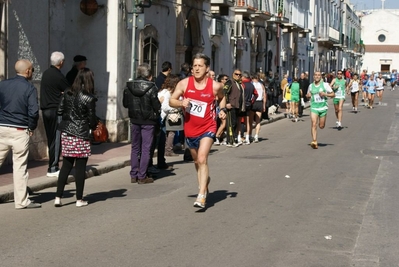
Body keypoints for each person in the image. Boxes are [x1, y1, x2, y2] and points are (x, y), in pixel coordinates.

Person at [169, 53, 226, 208]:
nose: (197, 68)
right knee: (196, 161)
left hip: (208, 126)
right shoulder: (184, 84)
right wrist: (181, 103)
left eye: (200, 66)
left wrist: (222, 111)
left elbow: (221, 98)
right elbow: (171, 100)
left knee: (202, 158)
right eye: (194, 66)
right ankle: (204, 180)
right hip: (190, 128)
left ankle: (201, 195)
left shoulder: (215, 86)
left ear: (207, 68)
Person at [0, 59, 41, 209]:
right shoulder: (29, 88)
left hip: (2, 128)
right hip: (19, 130)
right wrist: (31, 127)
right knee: (20, 168)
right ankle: (21, 201)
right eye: (32, 69)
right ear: (28, 71)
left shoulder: (3, 85)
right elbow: (34, 111)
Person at [55, 68, 98, 207]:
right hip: (81, 133)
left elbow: (59, 110)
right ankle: (79, 199)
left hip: (67, 132)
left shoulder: (67, 92)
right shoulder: (89, 97)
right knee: (80, 168)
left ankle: (58, 197)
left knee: (66, 166)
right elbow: (92, 120)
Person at [123, 63, 161, 184]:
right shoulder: (152, 87)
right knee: (146, 148)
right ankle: (142, 176)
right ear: (149, 75)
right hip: (148, 120)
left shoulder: (128, 86)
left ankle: (133, 174)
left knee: (135, 148)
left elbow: (125, 103)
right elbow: (157, 106)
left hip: (134, 119)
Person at [40, 51, 70, 177]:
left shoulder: (46, 73)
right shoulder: (59, 76)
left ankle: (52, 165)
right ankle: (53, 167)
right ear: (61, 62)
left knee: (51, 138)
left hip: (45, 110)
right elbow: (69, 90)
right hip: (55, 110)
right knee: (57, 139)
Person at [306, 71, 335, 149]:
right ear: (313, 77)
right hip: (314, 107)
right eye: (315, 75)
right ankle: (314, 141)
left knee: (321, 126)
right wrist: (308, 96)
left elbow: (333, 94)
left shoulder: (325, 85)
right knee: (313, 123)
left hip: (323, 108)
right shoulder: (311, 86)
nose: (317, 76)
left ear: (321, 77)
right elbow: (308, 95)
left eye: (319, 75)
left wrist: (325, 94)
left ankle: (320, 127)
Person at [160, 74, 182, 157]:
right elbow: (165, 106)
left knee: (170, 133)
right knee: (171, 132)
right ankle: (168, 150)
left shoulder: (167, 92)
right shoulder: (167, 93)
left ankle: (167, 150)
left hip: (167, 115)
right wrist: (175, 108)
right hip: (166, 116)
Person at [241, 71, 258, 145]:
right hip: (249, 104)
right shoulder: (251, 85)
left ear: (244, 77)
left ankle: (240, 136)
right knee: (248, 122)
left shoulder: (242, 84)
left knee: (240, 121)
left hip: (242, 104)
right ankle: (247, 137)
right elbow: (256, 94)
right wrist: (252, 101)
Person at [251, 73, 266, 141]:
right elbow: (264, 96)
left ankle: (250, 135)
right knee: (258, 121)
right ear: (258, 78)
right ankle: (256, 136)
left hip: (253, 102)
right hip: (259, 102)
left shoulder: (251, 84)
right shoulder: (261, 85)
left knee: (250, 120)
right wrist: (264, 105)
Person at [214, 74, 229, 145]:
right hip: (219, 107)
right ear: (221, 80)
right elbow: (217, 97)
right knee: (224, 123)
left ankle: (220, 137)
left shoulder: (224, 86)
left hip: (222, 107)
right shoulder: (220, 86)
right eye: (225, 79)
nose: (227, 80)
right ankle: (216, 137)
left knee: (221, 123)